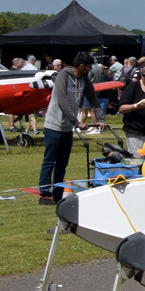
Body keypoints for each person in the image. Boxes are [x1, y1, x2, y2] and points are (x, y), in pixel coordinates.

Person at [37, 52, 91, 203]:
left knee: (62, 163)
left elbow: (92, 96)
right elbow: (62, 101)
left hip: (67, 128)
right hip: (54, 125)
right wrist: (77, 122)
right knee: (49, 160)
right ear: (81, 66)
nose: (90, 70)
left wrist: (101, 118)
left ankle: (58, 193)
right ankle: (45, 193)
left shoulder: (84, 78)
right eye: (89, 66)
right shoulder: (63, 76)